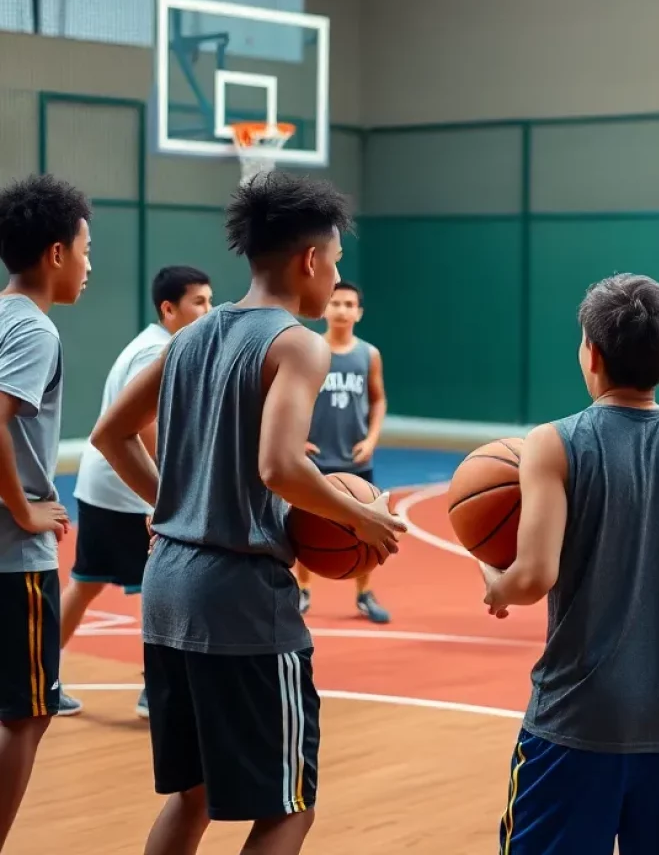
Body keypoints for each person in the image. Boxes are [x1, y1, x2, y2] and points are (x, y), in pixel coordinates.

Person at [90, 171, 406, 855]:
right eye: (338, 261)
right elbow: (281, 467)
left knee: (193, 797)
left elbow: (110, 434)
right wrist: (361, 520)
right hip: (239, 603)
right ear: (312, 260)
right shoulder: (298, 343)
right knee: (290, 807)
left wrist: (175, 505)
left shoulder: (190, 338)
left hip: (168, 591)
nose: (337, 276)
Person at [480, 273, 659, 855]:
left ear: (592, 352)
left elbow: (533, 576)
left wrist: (496, 583)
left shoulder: (553, 442)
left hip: (577, 721)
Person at [58, 266, 213, 719]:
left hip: (101, 486)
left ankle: (41, 675)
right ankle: (156, 690)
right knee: (164, 589)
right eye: (199, 302)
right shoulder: (155, 351)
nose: (208, 310)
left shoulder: (154, 345)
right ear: (169, 309)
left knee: (85, 584)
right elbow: (146, 429)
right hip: (126, 490)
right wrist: (165, 494)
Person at [0, 176, 91, 850]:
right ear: (57, 253)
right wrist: (25, 510)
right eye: (87, 250)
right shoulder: (34, 330)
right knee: (26, 717)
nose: (91, 266)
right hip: (12, 558)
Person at [297, 280, 390, 623]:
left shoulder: (369, 354)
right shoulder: (308, 349)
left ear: (359, 312)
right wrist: (295, 440)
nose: (342, 310)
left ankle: (364, 593)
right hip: (314, 458)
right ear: (324, 308)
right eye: (335, 303)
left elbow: (378, 399)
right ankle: (302, 589)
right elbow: (291, 399)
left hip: (355, 459)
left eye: (349, 304)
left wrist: (372, 438)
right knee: (305, 528)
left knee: (366, 528)